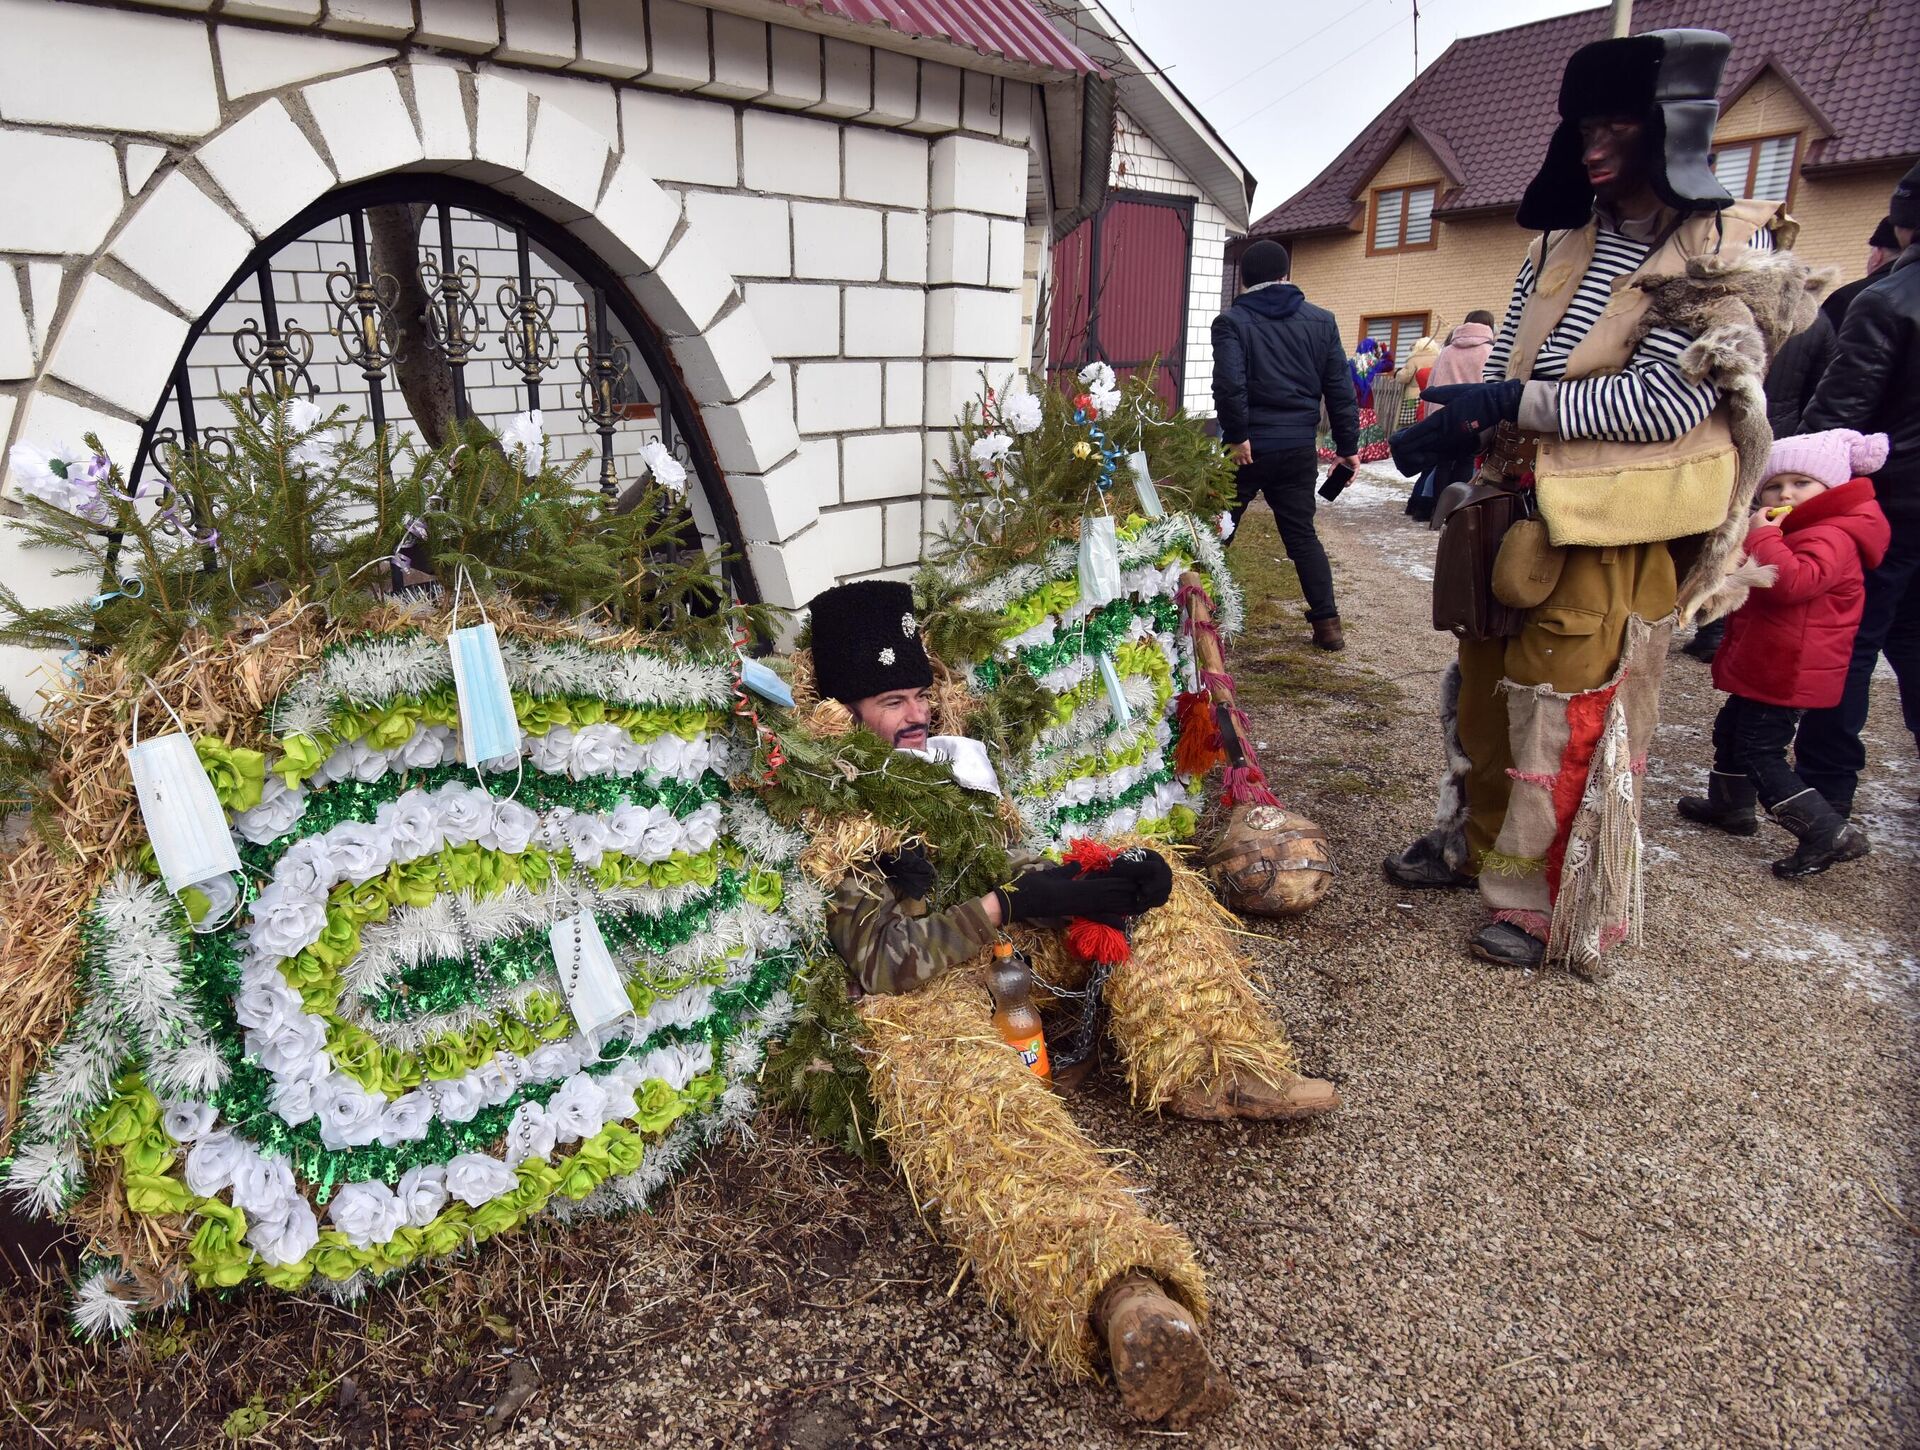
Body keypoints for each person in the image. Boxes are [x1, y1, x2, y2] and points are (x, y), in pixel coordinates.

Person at [801, 579, 1340, 1427]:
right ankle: (1123, 1298)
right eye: (888, 701)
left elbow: (1009, 868)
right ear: (840, 710)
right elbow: (884, 962)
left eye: (920, 695)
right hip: (929, 1001)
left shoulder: (951, 763)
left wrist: (1082, 881)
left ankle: (1216, 1066)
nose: (915, 716)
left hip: (1008, 961)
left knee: (1142, 895)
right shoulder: (831, 801)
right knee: (966, 1103)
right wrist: (1005, 906)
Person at [1382, 28, 1811, 973]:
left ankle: (1541, 903)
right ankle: (1482, 848)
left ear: (1672, 133)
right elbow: (1510, 360)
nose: (1594, 146)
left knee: (1557, 713)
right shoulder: (1557, 247)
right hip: (1516, 518)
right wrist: (1463, 422)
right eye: (1584, 125)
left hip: (1608, 534)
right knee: (1486, 702)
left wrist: (1516, 402)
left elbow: (1662, 405)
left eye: (1617, 124)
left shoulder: (1711, 269)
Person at [1677, 430, 1890, 875]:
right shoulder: (1802, 528)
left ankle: (1823, 830)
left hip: (1788, 667)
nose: (1784, 493)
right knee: (1733, 730)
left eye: (1800, 484)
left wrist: (1763, 538)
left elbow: (1790, 583)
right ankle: (1730, 807)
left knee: (1760, 750)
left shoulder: (1831, 534)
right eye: (1774, 486)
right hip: (1773, 659)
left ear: (1831, 488)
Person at [1792, 165, 1920, 817]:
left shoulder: (1885, 299)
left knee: (1850, 642)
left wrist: (1793, 503)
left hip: (1887, 506)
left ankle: (1825, 785)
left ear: (1902, 220)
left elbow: (1837, 418)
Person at [1211, 238, 1359, 652]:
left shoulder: (1232, 322)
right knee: (1302, 537)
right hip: (1296, 448)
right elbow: (1340, 389)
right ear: (1285, 275)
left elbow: (1229, 384)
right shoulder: (1322, 321)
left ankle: (1194, 617)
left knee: (1217, 533)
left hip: (1247, 449)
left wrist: (1238, 434)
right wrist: (1348, 446)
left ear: (1244, 279)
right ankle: (1328, 625)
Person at [1406, 311, 1497, 522]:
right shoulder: (1490, 352)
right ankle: (1455, 513)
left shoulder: (1446, 352)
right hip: (1474, 419)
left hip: (1443, 417)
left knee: (1443, 463)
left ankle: (1437, 511)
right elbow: (1492, 390)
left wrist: (1429, 418)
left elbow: (1431, 386)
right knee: (1465, 462)